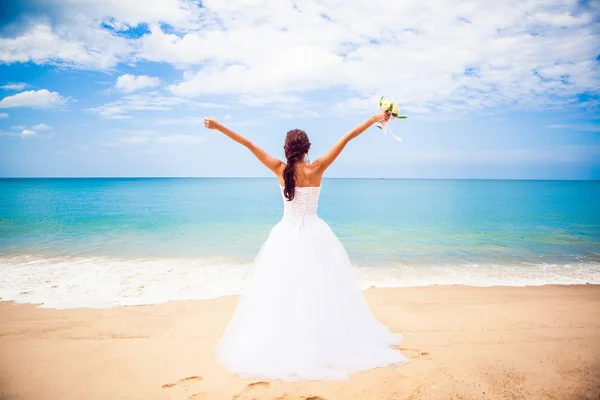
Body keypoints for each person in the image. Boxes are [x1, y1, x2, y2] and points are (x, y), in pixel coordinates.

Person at [203, 111, 408, 381]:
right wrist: (373, 120)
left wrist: (218, 127)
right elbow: (347, 138)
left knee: (282, 290)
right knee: (320, 288)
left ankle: (287, 340)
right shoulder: (318, 167)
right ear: (307, 149)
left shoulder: (279, 169)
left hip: (285, 236)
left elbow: (249, 144)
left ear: (287, 150)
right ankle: (320, 338)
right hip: (316, 234)